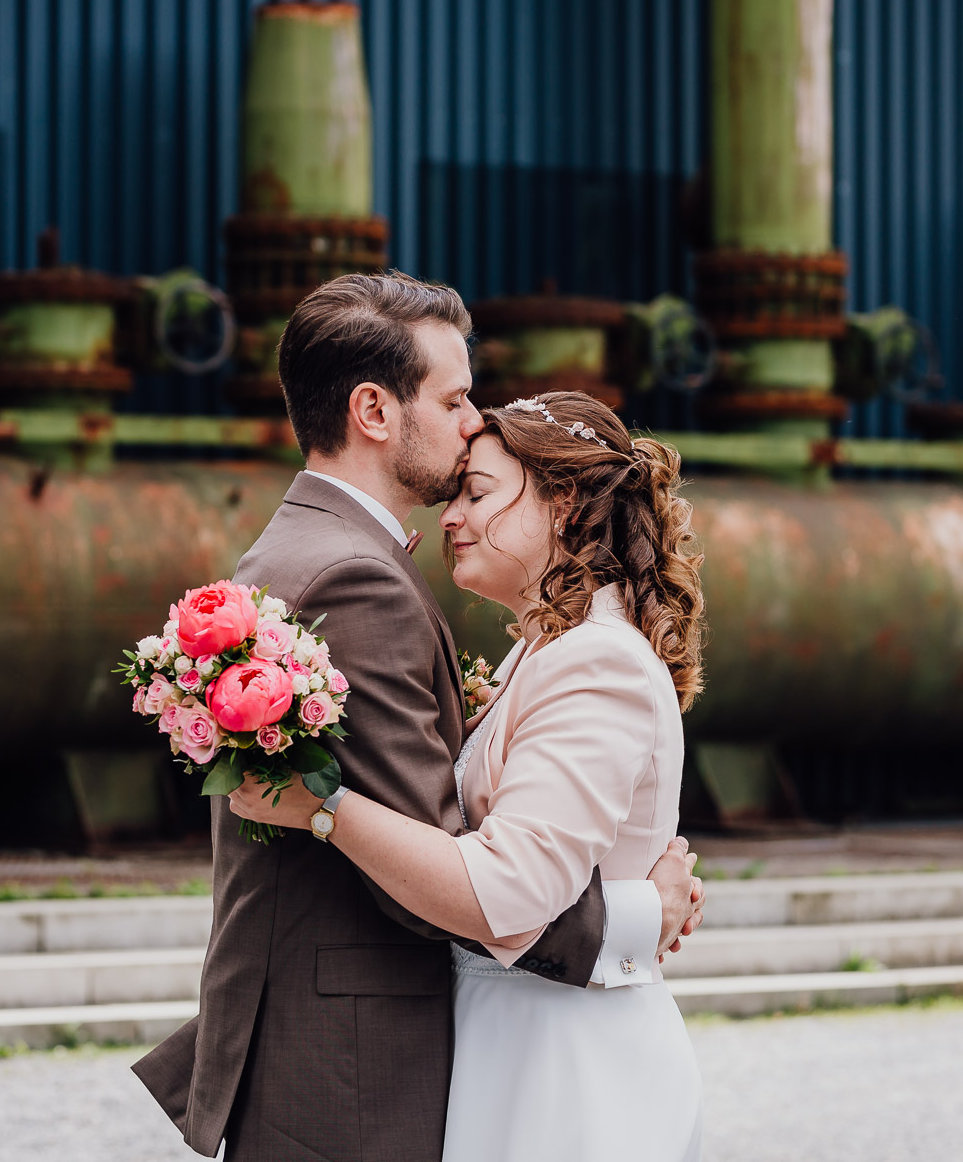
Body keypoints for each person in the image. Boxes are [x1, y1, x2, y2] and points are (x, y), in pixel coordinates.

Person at [132, 273, 705, 1161]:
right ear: (373, 409)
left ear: (562, 508)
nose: (471, 418)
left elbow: (480, 866)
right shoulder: (359, 579)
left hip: (517, 1051)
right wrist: (635, 916)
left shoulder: (299, 552)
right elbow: (463, 874)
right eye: (453, 396)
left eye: (486, 489)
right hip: (360, 1048)